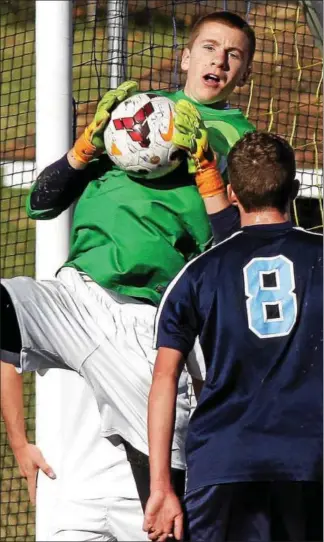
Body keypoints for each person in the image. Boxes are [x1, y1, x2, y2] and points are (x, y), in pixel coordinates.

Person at [1, 11, 256, 541]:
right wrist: (88, 146)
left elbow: (236, 246)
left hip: (147, 316)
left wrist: (208, 168)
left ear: (245, 72)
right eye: (209, 47)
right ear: (185, 57)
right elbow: (41, 205)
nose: (219, 60)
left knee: (162, 480)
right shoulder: (132, 117)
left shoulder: (239, 136)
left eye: (234, 54)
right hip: (74, 292)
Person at [144, 131, 323, 542]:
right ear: (294, 190)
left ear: (231, 193)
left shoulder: (196, 274)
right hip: (309, 464)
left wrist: (161, 488)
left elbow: (164, 380)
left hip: (222, 466)